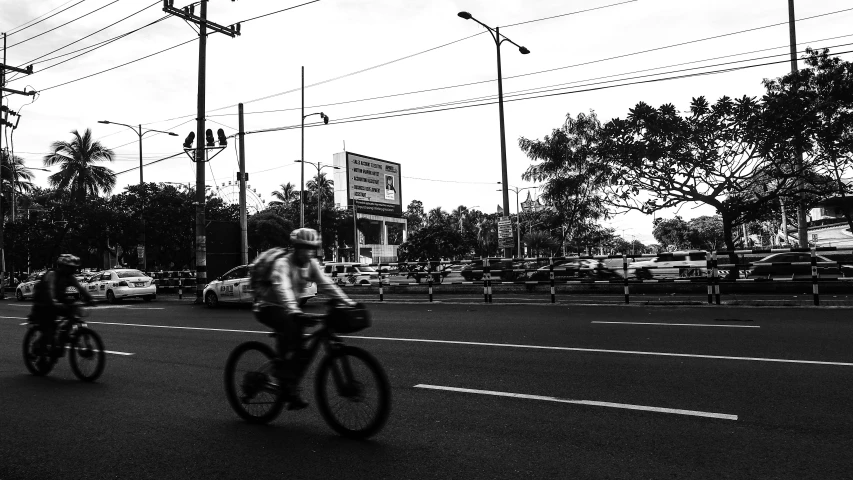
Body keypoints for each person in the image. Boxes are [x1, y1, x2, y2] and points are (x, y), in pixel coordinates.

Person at [252, 228, 357, 410]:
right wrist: (293, 310)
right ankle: (283, 376)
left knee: (300, 345)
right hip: (267, 307)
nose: (308, 252)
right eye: (304, 248)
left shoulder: (311, 264)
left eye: (312, 248)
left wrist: (348, 302)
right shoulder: (283, 264)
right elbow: (282, 287)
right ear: (295, 247)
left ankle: (290, 385)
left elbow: (327, 284)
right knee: (291, 330)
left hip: (291, 308)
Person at [29, 254, 95, 357]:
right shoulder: (52, 274)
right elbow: (50, 290)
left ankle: (61, 340)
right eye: (70, 267)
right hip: (44, 303)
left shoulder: (70, 277)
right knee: (49, 328)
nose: (72, 270)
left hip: (58, 303)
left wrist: (90, 299)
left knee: (72, 314)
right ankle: (39, 348)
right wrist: (54, 302)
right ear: (62, 266)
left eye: (73, 268)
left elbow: (80, 288)